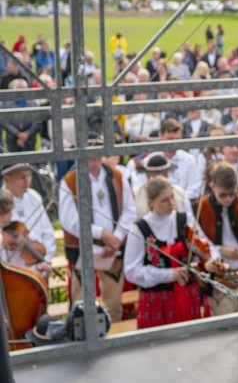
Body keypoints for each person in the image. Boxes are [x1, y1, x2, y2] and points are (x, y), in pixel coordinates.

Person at [59, 134, 138, 322]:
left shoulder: (117, 176)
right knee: (80, 303)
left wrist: (116, 238)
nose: (93, 155)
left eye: (97, 149)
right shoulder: (69, 181)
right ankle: (83, 339)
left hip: (113, 249)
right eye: (89, 149)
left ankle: (114, 336)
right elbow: (69, 220)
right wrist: (101, 234)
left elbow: (130, 211)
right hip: (83, 249)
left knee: (114, 303)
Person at [124, 176, 205, 328]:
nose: (171, 204)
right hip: (156, 302)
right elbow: (131, 271)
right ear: (151, 202)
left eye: (172, 197)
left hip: (186, 297)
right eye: (164, 200)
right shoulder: (140, 229)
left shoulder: (184, 220)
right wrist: (169, 274)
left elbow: (200, 251)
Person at [195, 162, 238, 315]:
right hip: (219, 280)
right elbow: (199, 243)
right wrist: (220, 250)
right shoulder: (202, 206)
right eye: (223, 195)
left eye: (232, 194)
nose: (228, 199)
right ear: (212, 186)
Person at [1, 163, 56, 268]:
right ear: (7, 178)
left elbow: (47, 231)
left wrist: (46, 258)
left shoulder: (34, 197)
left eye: (28, 175)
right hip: (13, 269)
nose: (26, 181)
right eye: (21, 177)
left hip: (39, 265)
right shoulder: (1, 201)